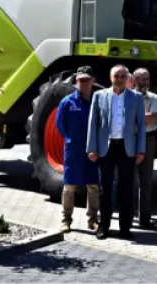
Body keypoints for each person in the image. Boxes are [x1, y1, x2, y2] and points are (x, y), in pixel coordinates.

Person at [87, 65, 147, 240]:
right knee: (105, 189)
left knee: (126, 189)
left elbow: (141, 125)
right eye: (116, 75)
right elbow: (93, 123)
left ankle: (124, 228)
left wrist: (141, 149)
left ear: (128, 78)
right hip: (106, 148)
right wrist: (91, 148)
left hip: (127, 148)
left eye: (123, 76)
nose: (119, 78)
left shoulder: (136, 98)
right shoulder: (99, 96)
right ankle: (103, 227)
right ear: (110, 77)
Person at [57, 66, 100, 233]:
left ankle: (93, 220)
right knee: (69, 186)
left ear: (93, 81)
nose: (83, 83)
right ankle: (66, 220)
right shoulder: (67, 102)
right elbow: (60, 125)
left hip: (93, 150)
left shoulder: (98, 101)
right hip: (74, 150)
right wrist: (71, 140)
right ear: (76, 81)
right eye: (80, 80)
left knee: (93, 186)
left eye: (87, 80)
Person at [132, 68, 157, 229]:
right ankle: (129, 215)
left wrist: (135, 117)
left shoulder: (154, 97)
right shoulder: (128, 95)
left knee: (146, 179)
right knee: (129, 178)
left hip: (148, 140)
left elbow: (153, 118)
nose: (145, 82)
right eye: (142, 79)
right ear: (135, 80)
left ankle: (145, 217)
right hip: (131, 139)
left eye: (147, 79)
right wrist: (144, 116)